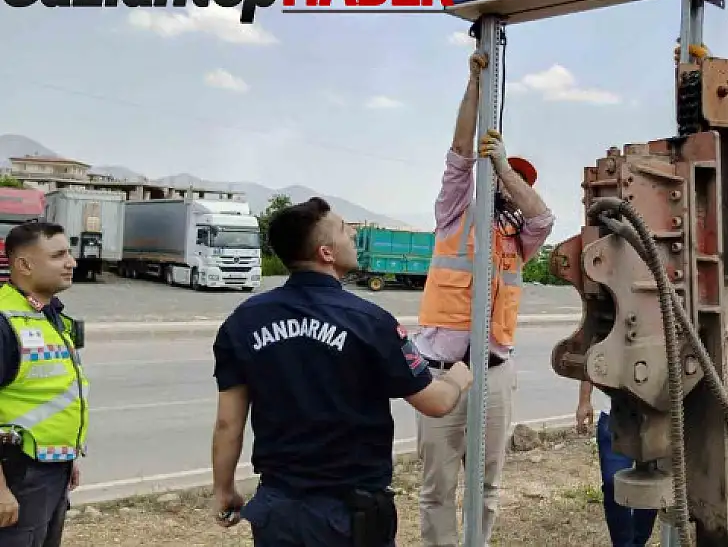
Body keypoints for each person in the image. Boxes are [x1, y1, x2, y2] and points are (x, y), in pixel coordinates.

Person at [209, 197, 474, 546]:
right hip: (350, 517)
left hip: (279, 510)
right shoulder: (371, 323)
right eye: (342, 228)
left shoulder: (243, 322)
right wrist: (460, 373)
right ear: (326, 253)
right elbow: (435, 403)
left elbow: (229, 423)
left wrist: (223, 489)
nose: (352, 233)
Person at [413, 49, 555, 546]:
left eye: (512, 183)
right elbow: (457, 155)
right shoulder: (456, 214)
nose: (506, 191)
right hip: (441, 372)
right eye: (497, 179)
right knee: (437, 487)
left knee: (487, 485)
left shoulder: (521, 239)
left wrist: (504, 165)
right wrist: (475, 88)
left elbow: (543, 217)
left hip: (493, 373)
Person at [0, 222, 88, 547]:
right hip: (17, 475)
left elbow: (47, 396)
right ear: (24, 265)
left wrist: (66, 458)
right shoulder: (5, 320)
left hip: (50, 471)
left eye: (69, 252)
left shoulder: (48, 315)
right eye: (58, 255)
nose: (72, 262)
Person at [576, 381, 657, 547]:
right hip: (614, 414)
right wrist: (584, 400)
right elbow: (591, 358)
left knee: (652, 482)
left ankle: (638, 541)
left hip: (655, 414)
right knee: (613, 484)